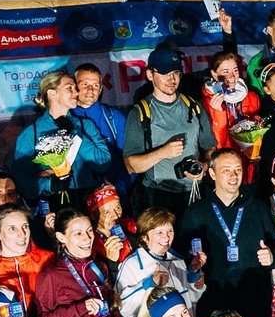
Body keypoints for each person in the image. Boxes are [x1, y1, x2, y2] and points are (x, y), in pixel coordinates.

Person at [176, 148, 275, 317]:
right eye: (226, 170)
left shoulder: (258, 208)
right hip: (213, 299)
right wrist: (192, 269)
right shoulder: (196, 212)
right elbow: (178, 255)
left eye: (238, 169)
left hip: (254, 300)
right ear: (212, 174)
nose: (234, 176)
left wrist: (272, 256)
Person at [123, 46, 211, 218]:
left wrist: (204, 166)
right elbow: (131, 166)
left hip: (194, 191)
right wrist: (162, 152)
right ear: (150, 75)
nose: (172, 79)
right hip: (159, 195)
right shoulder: (140, 113)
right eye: (165, 73)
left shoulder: (194, 107)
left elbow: (210, 148)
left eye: (176, 73)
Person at [11, 69, 112, 205]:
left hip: (89, 201)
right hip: (54, 204)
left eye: (75, 88)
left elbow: (103, 163)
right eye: (70, 88)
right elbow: (20, 180)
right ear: (52, 93)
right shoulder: (31, 134)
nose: (76, 93)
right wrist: (49, 185)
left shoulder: (85, 125)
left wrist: (75, 134)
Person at [115, 206, 205, 317]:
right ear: (145, 237)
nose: (166, 237)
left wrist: (193, 275)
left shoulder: (177, 261)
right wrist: (149, 284)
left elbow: (191, 300)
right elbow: (122, 308)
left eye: (170, 231)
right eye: (159, 232)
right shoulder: (133, 264)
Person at [72, 63, 132, 196]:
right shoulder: (64, 119)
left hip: (113, 197)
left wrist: (119, 188)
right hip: (77, 196)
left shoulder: (114, 118)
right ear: (74, 87)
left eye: (95, 85)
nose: (90, 90)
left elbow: (130, 160)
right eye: (84, 84)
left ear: (100, 90)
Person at [204, 51, 263, 155]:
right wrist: (219, 113)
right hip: (226, 158)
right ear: (214, 74)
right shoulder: (207, 102)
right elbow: (215, 144)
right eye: (226, 72)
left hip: (249, 157)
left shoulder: (252, 97)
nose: (232, 77)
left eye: (235, 70)